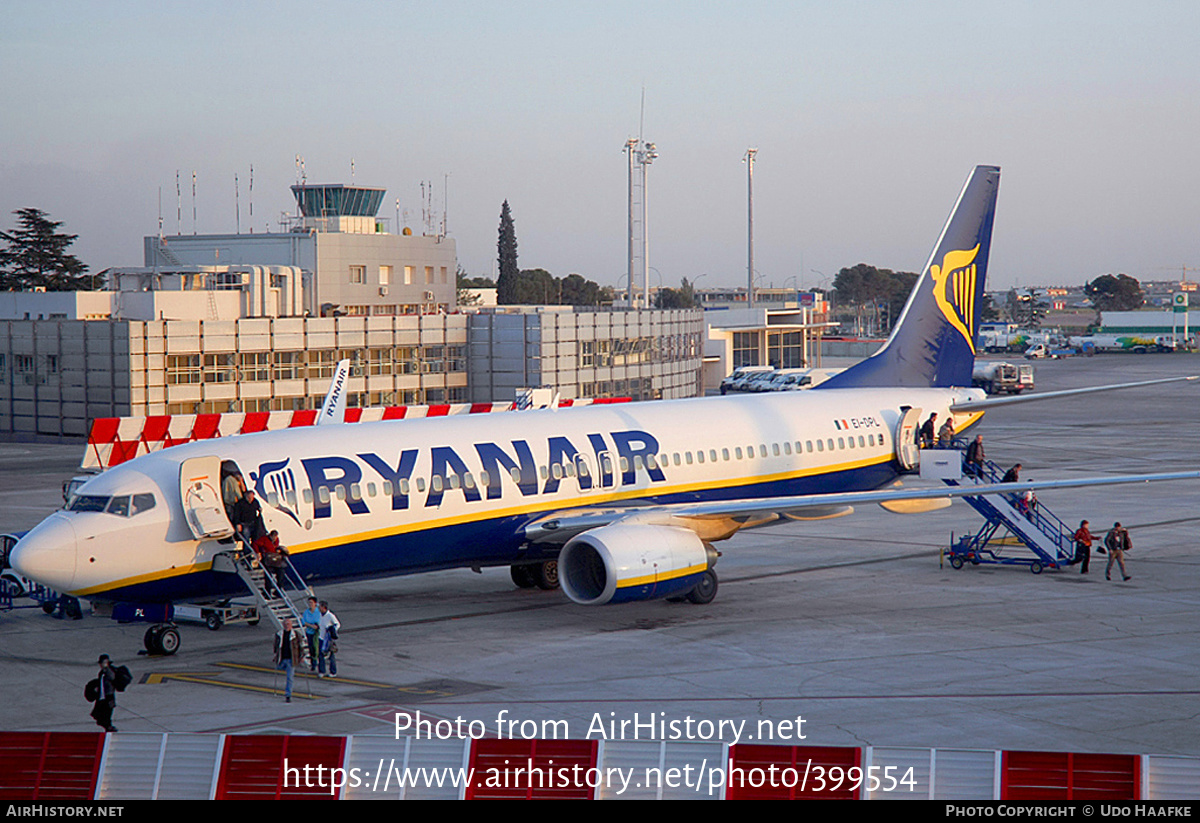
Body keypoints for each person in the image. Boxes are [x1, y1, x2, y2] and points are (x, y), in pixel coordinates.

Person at [274, 617, 303, 702]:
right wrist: (276, 655)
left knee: (289, 677)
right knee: (279, 670)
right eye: (286, 624)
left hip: (291, 659)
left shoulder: (296, 635)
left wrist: (301, 656)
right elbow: (276, 645)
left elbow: (300, 646)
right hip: (282, 658)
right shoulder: (279, 634)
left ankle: (288, 695)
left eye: (289, 624)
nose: (287, 626)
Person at [90, 654, 118, 732]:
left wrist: (106, 668)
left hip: (108, 696)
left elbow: (112, 677)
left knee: (106, 713)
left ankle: (108, 727)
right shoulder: (102, 672)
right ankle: (107, 726)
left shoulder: (108, 671)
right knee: (99, 713)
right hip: (102, 696)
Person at [316, 600, 341, 678]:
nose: (318, 608)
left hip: (328, 639)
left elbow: (337, 624)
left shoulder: (330, 615)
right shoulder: (319, 615)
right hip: (321, 638)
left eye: (320, 606)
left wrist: (332, 631)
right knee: (320, 655)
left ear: (324, 607)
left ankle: (333, 672)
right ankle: (321, 671)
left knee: (331, 655)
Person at [301, 596, 321, 672]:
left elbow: (319, 621)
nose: (310, 604)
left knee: (316, 647)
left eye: (311, 603)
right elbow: (303, 622)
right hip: (309, 632)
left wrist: (315, 626)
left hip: (317, 633)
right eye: (309, 602)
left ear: (315, 603)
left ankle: (317, 662)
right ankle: (313, 663)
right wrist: (311, 625)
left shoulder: (318, 612)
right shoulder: (306, 612)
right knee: (311, 648)